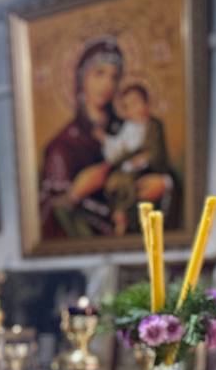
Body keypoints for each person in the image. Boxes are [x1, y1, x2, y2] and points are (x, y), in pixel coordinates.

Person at [39, 37, 174, 239]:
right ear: (81, 78)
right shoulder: (63, 146)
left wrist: (165, 184)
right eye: (99, 74)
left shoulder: (133, 128)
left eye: (114, 77)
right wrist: (75, 194)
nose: (107, 84)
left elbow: (160, 165)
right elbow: (44, 219)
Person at [101, 84, 173, 235]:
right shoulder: (129, 127)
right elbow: (122, 149)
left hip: (150, 168)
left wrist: (144, 159)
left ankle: (125, 215)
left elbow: (157, 151)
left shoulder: (154, 125)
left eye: (136, 102)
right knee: (115, 181)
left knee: (132, 185)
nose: (134, 109)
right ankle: (119, 213)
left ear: (146, 103)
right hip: (129, 167)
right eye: (128, 106)